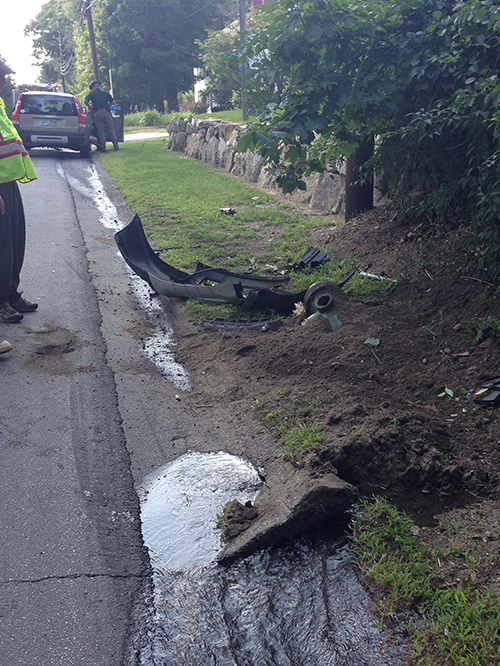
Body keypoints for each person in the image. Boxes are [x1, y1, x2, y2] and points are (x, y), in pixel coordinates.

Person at [0, 59, 38, 324]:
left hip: (8, 183)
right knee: (2, 246)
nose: (4, 82)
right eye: (1, 77)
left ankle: (11, 295)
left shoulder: (0, 105)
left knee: (14, 242)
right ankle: (1, 303)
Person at [84, 80, 119, 152]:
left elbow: (85, 100)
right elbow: (113, 102)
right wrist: (108, 106)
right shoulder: (105, 93)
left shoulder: (92, 93)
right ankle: (116, 146)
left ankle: (103, 148)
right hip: (106, 112)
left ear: (93, 87)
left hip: (98, 113)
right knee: (111, 130)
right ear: (99, 86)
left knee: (101, 131)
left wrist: (89, 106)